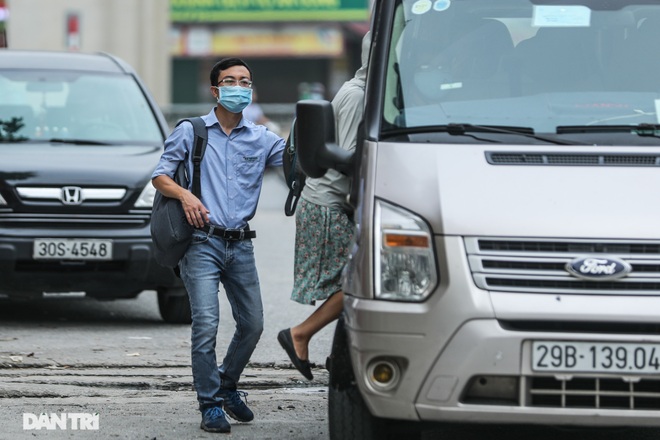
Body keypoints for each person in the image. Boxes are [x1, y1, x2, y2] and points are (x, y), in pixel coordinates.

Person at [151, 58, 285, 433]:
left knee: (254, 324)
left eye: (245, 81)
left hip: (240, 244)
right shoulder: (191, 131)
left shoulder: (263, 138)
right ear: (215, 90)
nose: (238, 87)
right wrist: (186, 197)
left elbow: (296, 162)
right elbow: (160, 176)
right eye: (230, 81)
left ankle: (227, 385)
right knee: (206, 324)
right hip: (201, 242)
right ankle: (209, 404)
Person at [277, 33, 370, 381]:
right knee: (362, 282)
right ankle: (300, 335)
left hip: (332, 203)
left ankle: (339, 357)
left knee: (346, 284)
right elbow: (345, 156)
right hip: (328, 204)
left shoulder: (359, 89)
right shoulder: (359, 96)